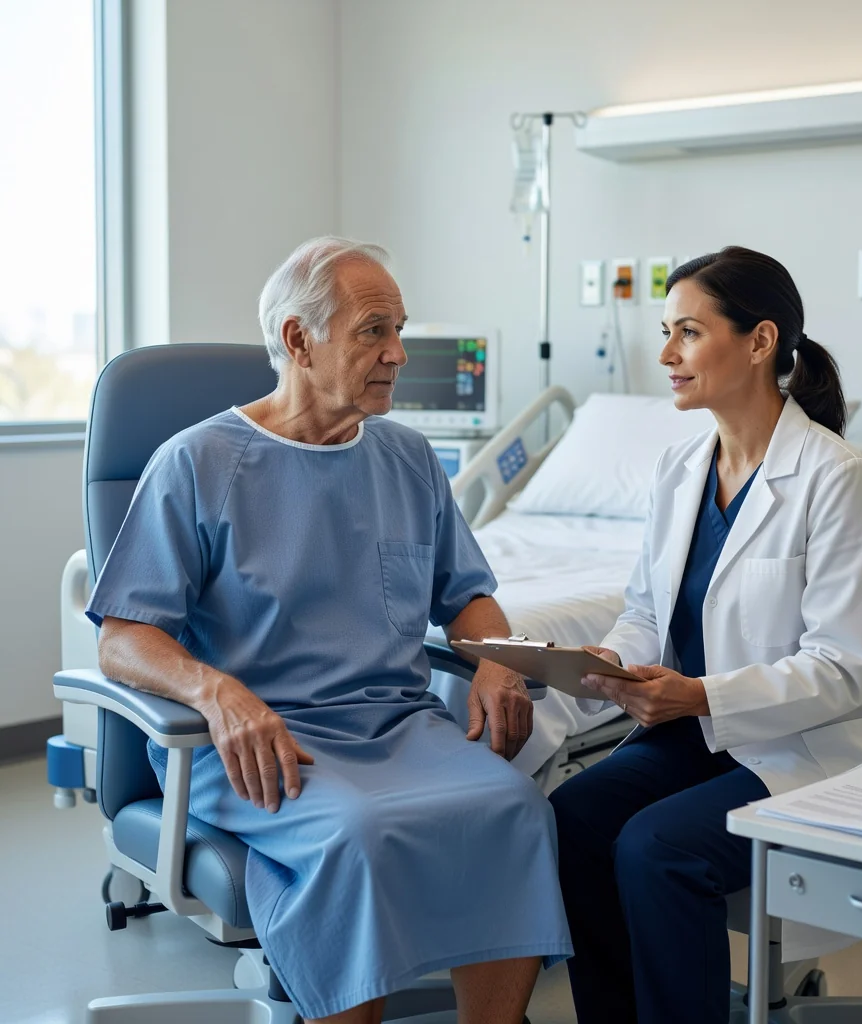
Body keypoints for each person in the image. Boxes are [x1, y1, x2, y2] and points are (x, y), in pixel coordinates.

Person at [85, 237, 572, 1024]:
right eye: (374, 330)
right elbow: (123, 638)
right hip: (261, 741)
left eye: (399, 330)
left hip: (397, 727)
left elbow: (468, 598)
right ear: (297, 339)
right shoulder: (197, 464)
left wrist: (495, 663)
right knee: (358, 833)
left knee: (515, 807)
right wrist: (219, 693)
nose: (399, 353)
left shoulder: (408, 459)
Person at [549, 246, 862, 1024]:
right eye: (666, 332)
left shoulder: (838, 480)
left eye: (689, 333)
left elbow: (840, 667)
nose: (667, 355)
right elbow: (647, 608)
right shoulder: (681, 468)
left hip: (808, 748)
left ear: (760, 341)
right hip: (697, 734)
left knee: (655, 848)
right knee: (571, 816)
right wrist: (613, 658)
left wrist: (699, 693)